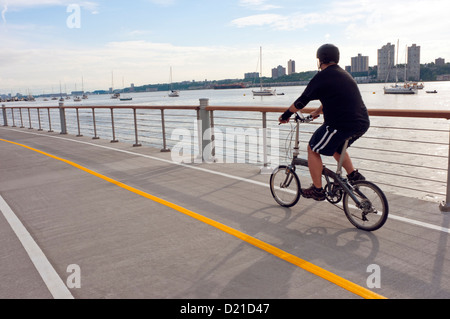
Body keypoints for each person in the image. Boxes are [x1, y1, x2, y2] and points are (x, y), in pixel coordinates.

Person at [279, 44, 370, 201]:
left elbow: (301, 102)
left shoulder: (322, 76)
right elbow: (335, 97)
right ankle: (353, 176)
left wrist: (286, 114)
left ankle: (318, 190)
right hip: (362, 123)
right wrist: (317, 112)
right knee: (337, 148)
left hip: (341, 124)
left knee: (313, 148)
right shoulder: (344, 74)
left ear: (320, 59)